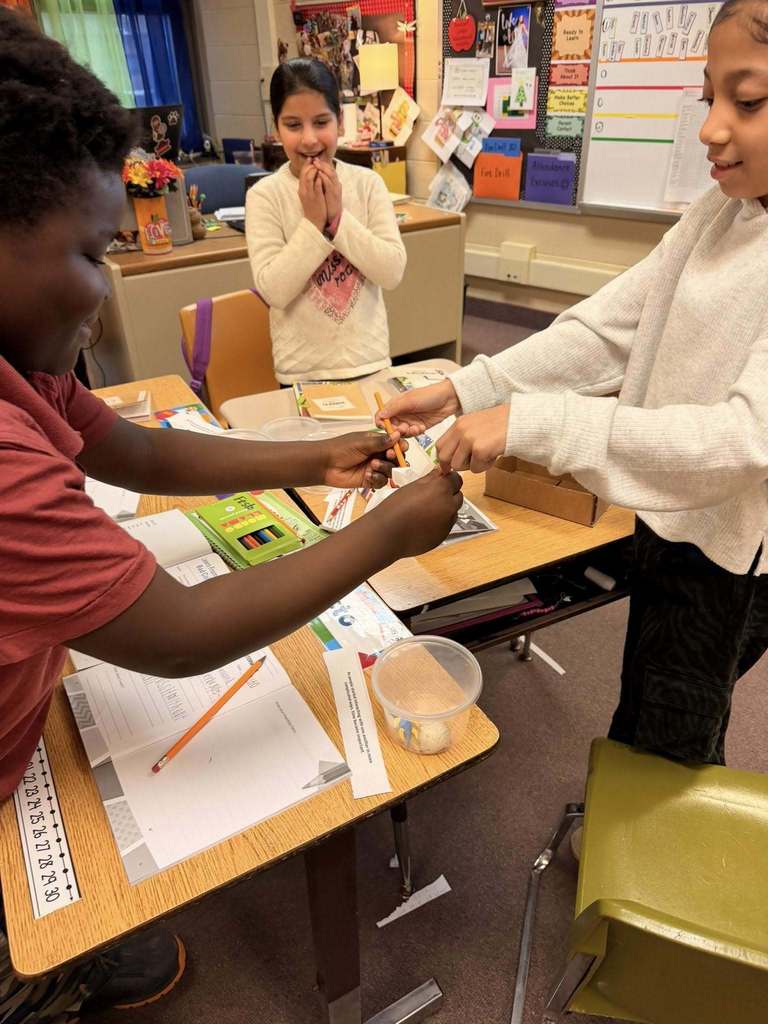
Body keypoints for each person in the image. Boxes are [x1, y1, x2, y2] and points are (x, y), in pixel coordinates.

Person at [0, 12, 463, 1021]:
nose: (101, 287)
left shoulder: (30, 372)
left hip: (25, 701)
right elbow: (179, 634)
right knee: (24, 950)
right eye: (89, 253)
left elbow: (148, 449)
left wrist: (315, 454)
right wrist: (383, 530)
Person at [378, 0, 768, 769]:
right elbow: (611, 327)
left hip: (729, 551)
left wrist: (538, 426)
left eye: (747, 101)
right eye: (708, 95)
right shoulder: (723, 211)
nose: (711, 128)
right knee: (654, 698)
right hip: (668, 507)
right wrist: (470, 389)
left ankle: (647, 871)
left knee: (670, 738)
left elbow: (739, 441)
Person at [245, 59, 406, 384]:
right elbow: (274, 290)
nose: (309, 139)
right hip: (301, 371)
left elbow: (391, 272)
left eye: (321, 122)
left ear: (340, 122)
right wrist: (314, 224)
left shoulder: (366, 184)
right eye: (293, 125)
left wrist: (336, 220)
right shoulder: (265, 195)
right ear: (276, 128)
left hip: (368, 361)